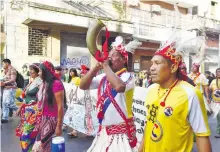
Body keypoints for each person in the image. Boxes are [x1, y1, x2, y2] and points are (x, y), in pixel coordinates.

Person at [138, 35, 212, 152]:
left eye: (157, 63)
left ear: (173, 67)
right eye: (152, 63)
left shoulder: (190, 93)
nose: (151, 68)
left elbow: (201, 135)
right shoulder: (151, 89)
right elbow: (149, 123)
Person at [80, 36, 140, 152]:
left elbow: (119, 87)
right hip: (104, 133)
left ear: (123, 60)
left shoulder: (129, 76)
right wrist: (95, 68)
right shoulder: (104, 76)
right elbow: (83, 86)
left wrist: (106, 65)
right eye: (109, 55)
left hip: (121, 134)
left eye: (113, 55)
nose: (109, 57)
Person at [32, 61, 65, 152]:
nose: (38, 73)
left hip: (52, 120)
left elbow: (60, 106)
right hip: (44, 118)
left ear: (45, 71)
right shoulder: (44, 84)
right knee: (46, 148)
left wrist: (59, 125)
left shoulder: (56, 84)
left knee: (37, 148)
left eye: (40, 71)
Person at [15, 63, 42, 152]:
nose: (30, 72)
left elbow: (43, 98)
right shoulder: (32, 81)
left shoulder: (40, 82)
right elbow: (25, 97)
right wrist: (20, 108)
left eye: (32, 71)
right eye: (29, 71)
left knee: (25, 137)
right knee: (26, 136)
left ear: (38, 72)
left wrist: (38, 108)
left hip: (34, 113)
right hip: (27, 113)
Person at [0, 59, 18, 123]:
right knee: (4, 103)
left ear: (7, 63)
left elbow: (13, 79)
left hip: (10, 88)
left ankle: (22, 110)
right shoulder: (5, 70)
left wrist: (4, 83)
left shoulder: (12, 69)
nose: (2, 65)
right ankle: (5, 118)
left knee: (9, 103)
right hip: (5, 88)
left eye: (3, 64)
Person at [209, 68, 220, 138]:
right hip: (215, 102)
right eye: (218, 72)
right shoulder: (213, 81)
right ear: (216, 74)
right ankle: (218, 131)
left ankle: (218, 131)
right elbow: (210, 89)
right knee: (218, 117)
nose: (219, 73)